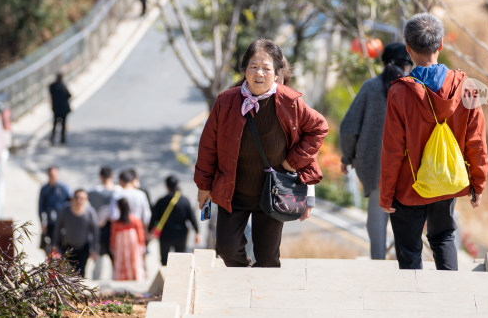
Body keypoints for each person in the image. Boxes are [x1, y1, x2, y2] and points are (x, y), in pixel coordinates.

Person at [194, 38, 328, 267]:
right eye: (253, 67)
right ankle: (244, 282)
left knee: (267, 258)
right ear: (245, 70)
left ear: (277, 73)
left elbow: (319, 128)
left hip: (273, 193)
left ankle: (261, 296)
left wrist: (292, 162)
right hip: (233, 191)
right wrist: (204, 186)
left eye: (266, 68)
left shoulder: (290, 102)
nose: (259, 73)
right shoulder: (226, 101)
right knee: (226, 249)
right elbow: (208, 145)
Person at [380, 13, 488, 270]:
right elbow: (477, 141)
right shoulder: (467, 87)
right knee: (444, 238)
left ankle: (415, 307)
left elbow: (393, 149)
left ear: (408, 48)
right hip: (446, 181)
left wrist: (386, 195)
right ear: (440, 45)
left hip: (410, 186)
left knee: (408, 250)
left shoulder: (400, 91)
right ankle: (449, 304)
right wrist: (478, 183)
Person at [340, 42, 413, 260]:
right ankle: (407, 266)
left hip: (375, 165)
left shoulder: (370, 87)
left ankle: (378, 263)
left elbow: (349, 127)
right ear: (407, 66)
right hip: (407, 167)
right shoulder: (413, 88)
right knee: (406, 221)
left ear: (382, 63)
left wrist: (348, 156)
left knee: (376, 216)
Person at [150, 175, 200, 265]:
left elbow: (154, 217)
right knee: (180, 260)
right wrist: (197, 232)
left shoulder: (161, 201)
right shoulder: (185, 201)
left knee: (164, 260)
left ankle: (165, 277)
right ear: (177, 184)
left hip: (165, 235)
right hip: (181, 234)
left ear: (166, 186)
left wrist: (150, 230)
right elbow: (192, 217)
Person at [52, 189, 99, 277]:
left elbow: (95, 232)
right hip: (68, 246)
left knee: (81, 272)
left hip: (83, 246)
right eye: (76, 198)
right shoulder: (65, 210)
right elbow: (58, 227)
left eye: (82, 198)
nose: (79, 201)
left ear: (86, 200)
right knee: (67, 272)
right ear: (72, 198)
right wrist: (55, 244)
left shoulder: (90, 212)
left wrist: (94, 249)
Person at [88, 166, 121, 278]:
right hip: (116, 229)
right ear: (113, 176)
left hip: (99, 229)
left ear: (100, 176)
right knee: (115, 258)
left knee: (98, 259)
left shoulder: (93, 192)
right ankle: (116, 280)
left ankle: (95, 282)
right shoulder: (118, 191)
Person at [38, 166, 72, 254]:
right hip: (50, 221)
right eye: (50, 175)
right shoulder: (45, 189)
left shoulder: (63, 188)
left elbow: (71, 200)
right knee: (51, 244)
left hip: (62, 221)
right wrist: (42, 222)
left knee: (63, 243)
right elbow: (41, 207)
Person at [111, 198, 146, 281]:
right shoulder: (135, 220)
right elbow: (140, 234)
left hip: (121, 245)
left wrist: (112, 247)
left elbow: (113, 236)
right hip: (132, 243)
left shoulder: (116, 223)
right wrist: (142, 245)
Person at [109, 169, 151, 235]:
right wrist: (144, 228)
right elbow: (146, 214)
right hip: (138, 229)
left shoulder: (117, 195)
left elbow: (113, 215)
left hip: (121, 231)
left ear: (121, 181)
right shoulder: (140, 194)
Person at [49, 73, 72, 145]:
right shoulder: (63, 86)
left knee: (55, 124)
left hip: (56, 108)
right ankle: (62, 139)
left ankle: (53, 138)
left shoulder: (52, 86)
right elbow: (69, 95)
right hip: (63, 108)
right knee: (63, 124)